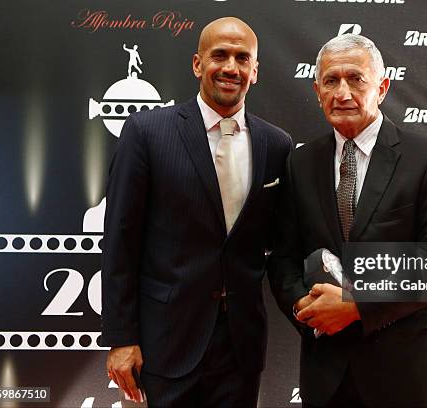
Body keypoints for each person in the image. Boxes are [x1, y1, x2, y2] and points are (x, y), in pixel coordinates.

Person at [101, 17, 292, 407]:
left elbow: (281, 245)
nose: (230, 67)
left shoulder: (277, 144)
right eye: (219, 55)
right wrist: (122, 338)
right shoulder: (147, 132)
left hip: (241, 347)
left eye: (243, 58)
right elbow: (120, 241)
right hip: (165, 343)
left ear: (255, 71)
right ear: (197, 63)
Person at [268, 34, 427, 407]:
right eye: (331, 81)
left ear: (382, 87)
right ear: (317, 90)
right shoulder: (300, 163)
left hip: (407, 378)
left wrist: (356, 306)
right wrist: (307, 311)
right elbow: (283, 260)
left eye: (355, 79)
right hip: (327, 378)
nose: (342, 93)